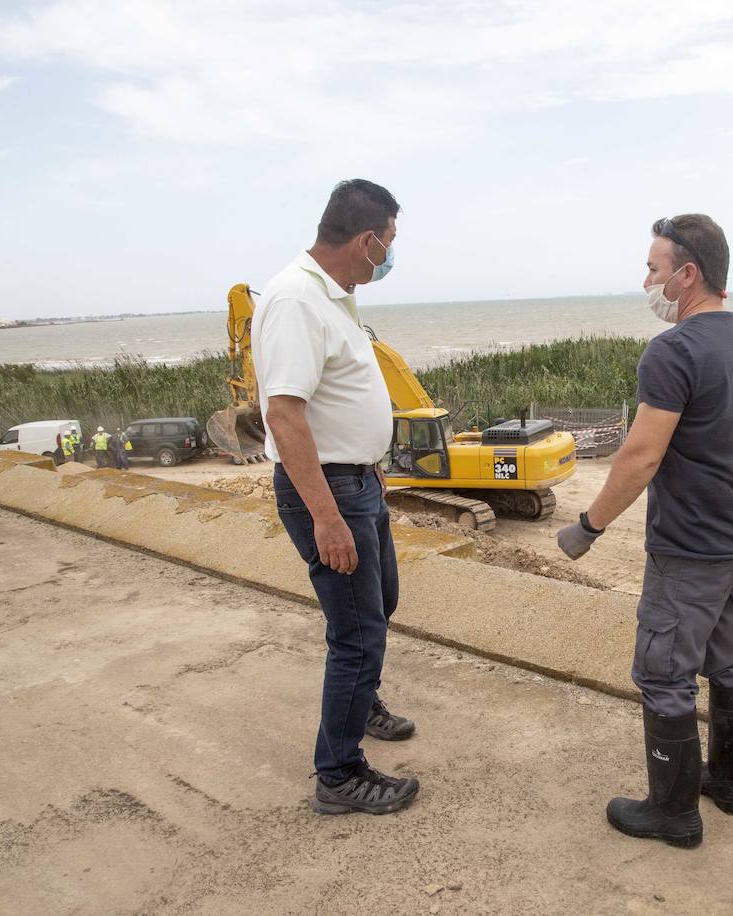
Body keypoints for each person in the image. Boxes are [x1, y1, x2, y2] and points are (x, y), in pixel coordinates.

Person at [556, 214, 733, 849]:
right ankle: (727, 784)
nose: (647, 279)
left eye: (654, 268)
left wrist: (589, 525)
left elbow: (641, 456)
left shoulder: (673, 351)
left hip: (691, 548)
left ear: (687, 275)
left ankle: (674, 812)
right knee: (732, 660)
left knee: (665, 674)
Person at [252, 179, 419, 816]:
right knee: (356, 634)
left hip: (357, 479)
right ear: (367, 239)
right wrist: (326, 514)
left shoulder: (333, 296)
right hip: (328, 491)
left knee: (380, 604)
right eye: (391, 243)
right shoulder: (297, 299)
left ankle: (362, 702)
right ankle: (339, 773)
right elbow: (286, 415)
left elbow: (330, 401)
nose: (391, 255)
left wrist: (368, 463)